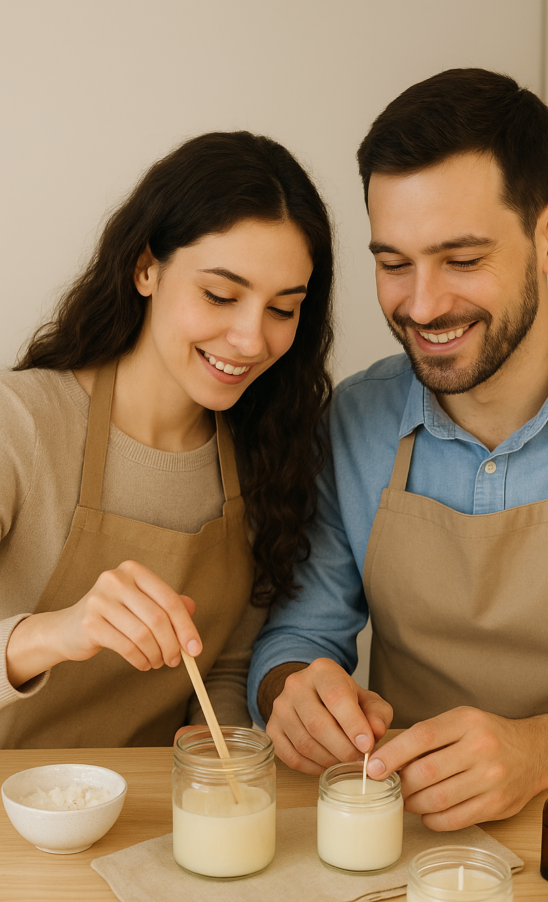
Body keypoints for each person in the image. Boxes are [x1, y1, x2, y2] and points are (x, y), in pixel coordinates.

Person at [249, 68, 548, 831]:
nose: (421, 305)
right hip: (408, 829)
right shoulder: (354, 417)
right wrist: (293, 692)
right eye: (393, 263)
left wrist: (535, 753)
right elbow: (295, 638)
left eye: (461, 260)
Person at [0, 131, 333, 748]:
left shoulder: (268, 452)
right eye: (220, 295)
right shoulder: (17, 425)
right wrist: (55, 633)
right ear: (146, 267)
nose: (251, 340)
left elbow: (225, 669)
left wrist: (228, 770)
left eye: (282, 310)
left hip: (156, 817)